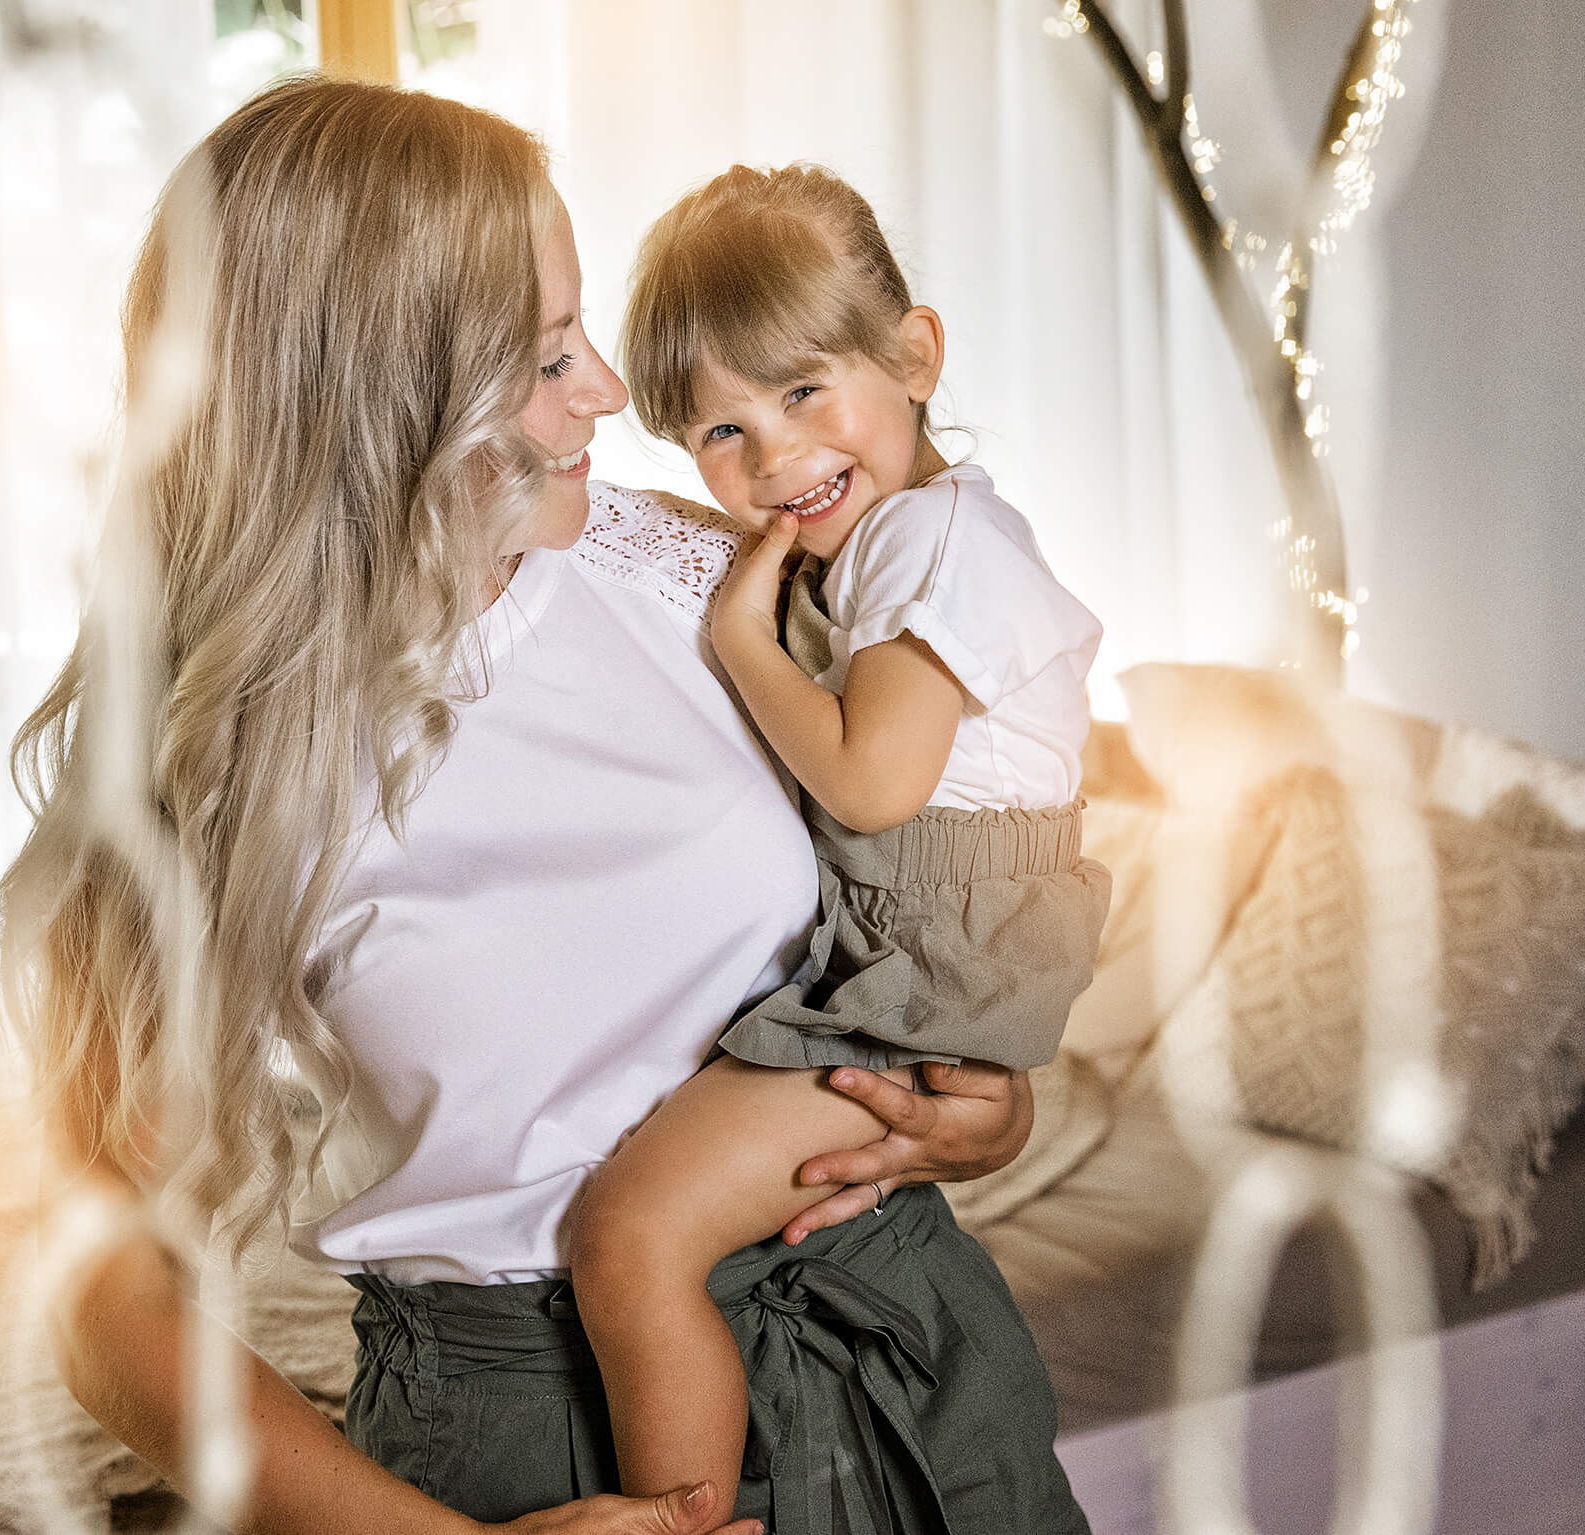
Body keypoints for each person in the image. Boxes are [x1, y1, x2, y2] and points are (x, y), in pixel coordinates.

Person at [0, 78, 1073, 1535]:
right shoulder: (208, 766)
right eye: (546, 355)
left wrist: (973, 1113)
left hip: (905, 1343)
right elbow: (100, 1290)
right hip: (521, 1447)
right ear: (369, 397)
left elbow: (949, 868)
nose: (614, 400)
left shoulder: (715, 581)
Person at [565, 163, 1110, 1510]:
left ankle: (677, 1521)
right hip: (908, 936)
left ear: (915, 354)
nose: (774, 457)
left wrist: (740, 641)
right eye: (717, 433)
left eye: (803, 391)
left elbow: (869, 787)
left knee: (630, 1238)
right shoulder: (886, 537)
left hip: (929, 949)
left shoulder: (934, 550)